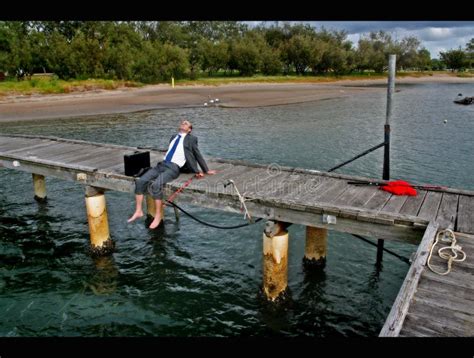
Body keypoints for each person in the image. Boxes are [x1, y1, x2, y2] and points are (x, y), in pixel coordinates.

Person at [128, 120, 217, 229]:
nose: (183, 123)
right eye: (183, 122)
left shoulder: (191, 139)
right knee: (140, 181)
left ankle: (158, 216)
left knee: (156, 185)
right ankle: (138, 210)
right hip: (162, 164)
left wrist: (205, 170)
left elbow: (197, 154)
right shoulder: (173, 136)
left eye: (186, 123)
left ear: (189, 129)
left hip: (174, 167)